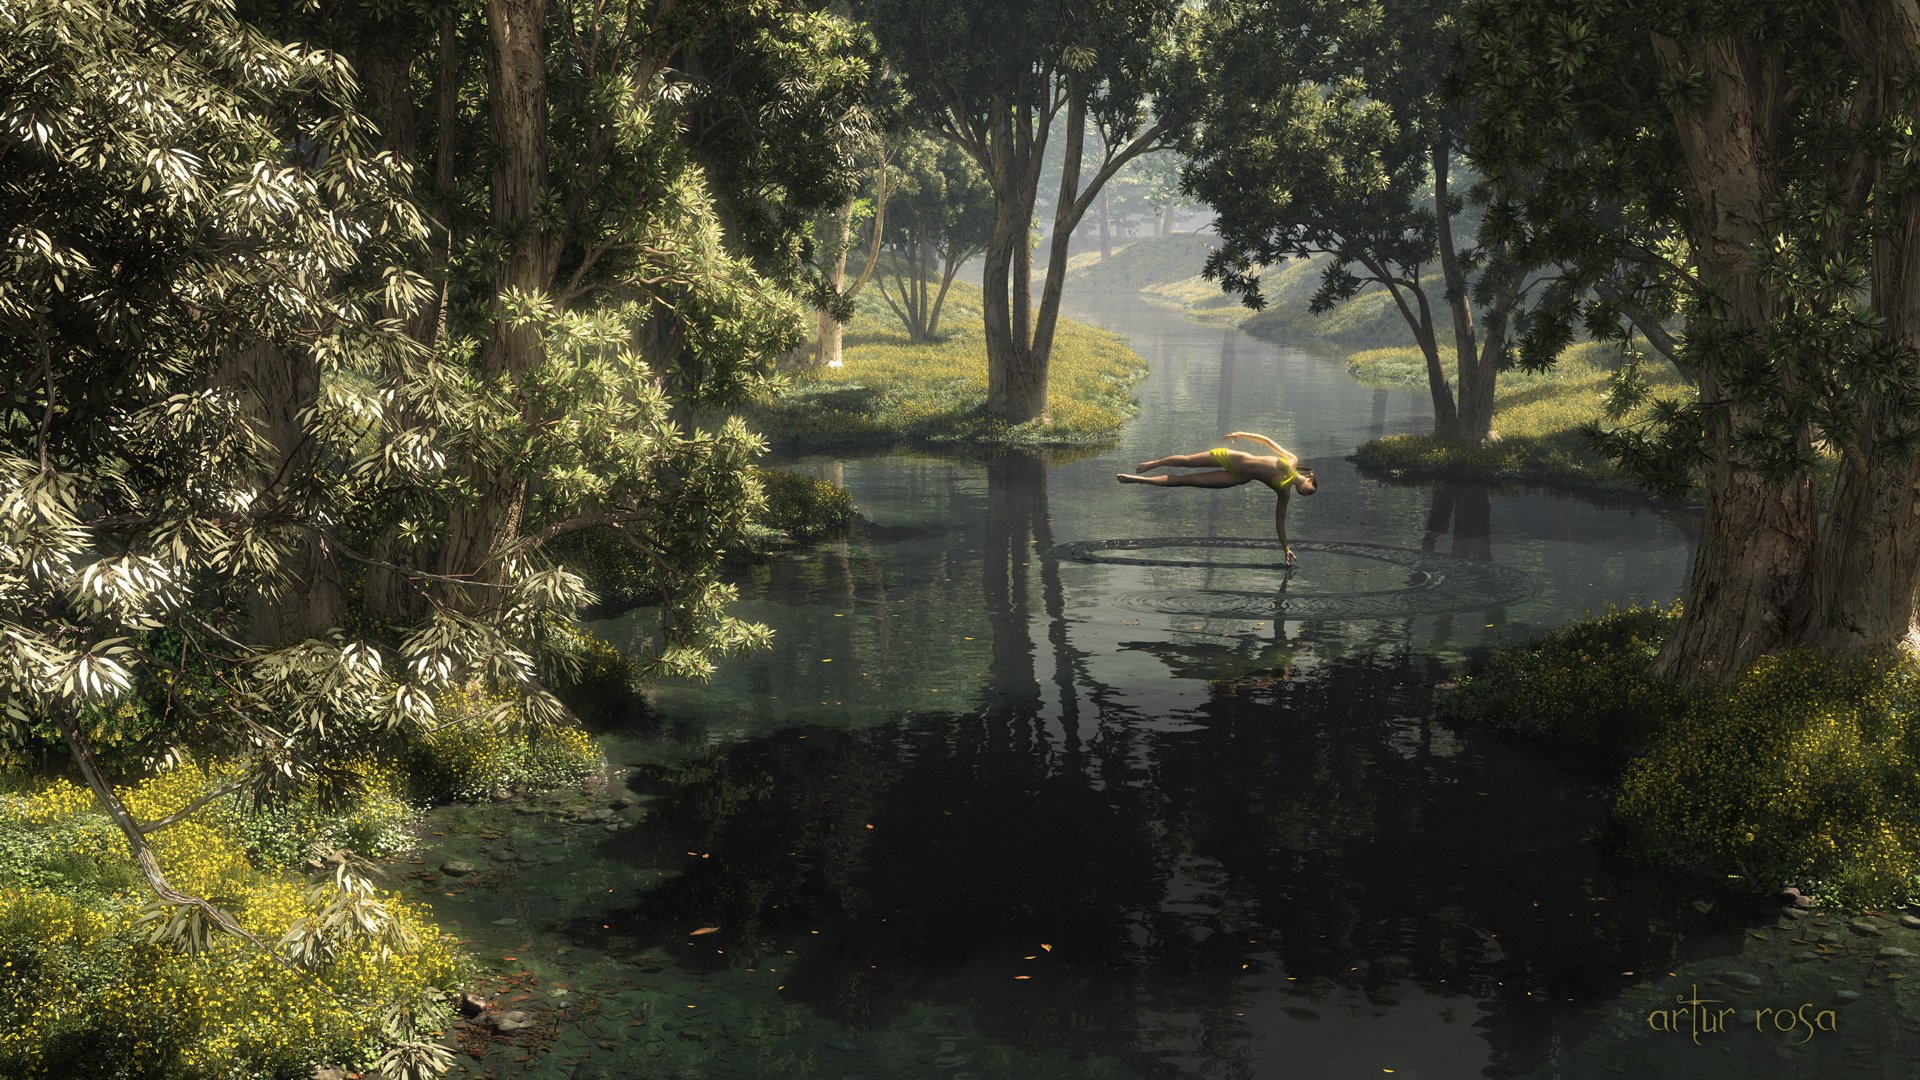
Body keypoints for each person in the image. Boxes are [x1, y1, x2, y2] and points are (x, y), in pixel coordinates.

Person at [1116, 431, 1318, 565]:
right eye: (1312, 489)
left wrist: (1286, 549)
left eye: (1308, 494)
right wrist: (1242, 434)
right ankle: (1154, 464)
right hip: (1235, 457)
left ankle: (1138, 480)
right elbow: (1267, 441)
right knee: (1186, 461)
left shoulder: (1284, 493)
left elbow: (1279, 522)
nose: (1308, 493)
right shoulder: (1293, 461)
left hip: (1236, 476)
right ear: (1310, 478)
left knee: (1185, 481)